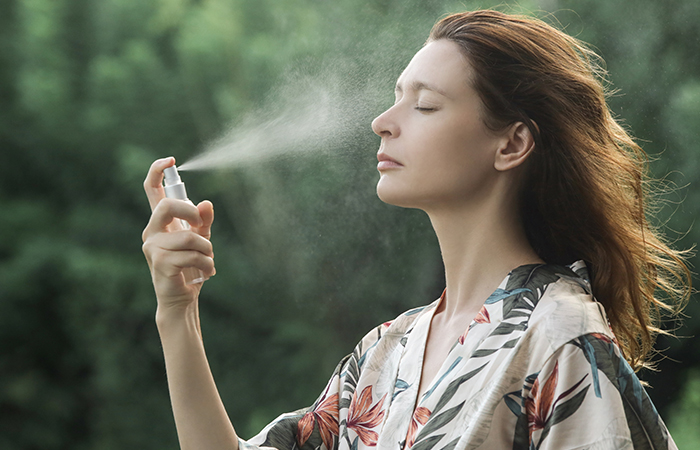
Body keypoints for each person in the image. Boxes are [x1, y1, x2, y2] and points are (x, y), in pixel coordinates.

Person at [141, 10, 690, 450]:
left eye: (425, 105)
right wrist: (177, 312)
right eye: (396, 95)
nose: (384, 120)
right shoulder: (386, 352)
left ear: (512, 144)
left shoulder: (561, 337)